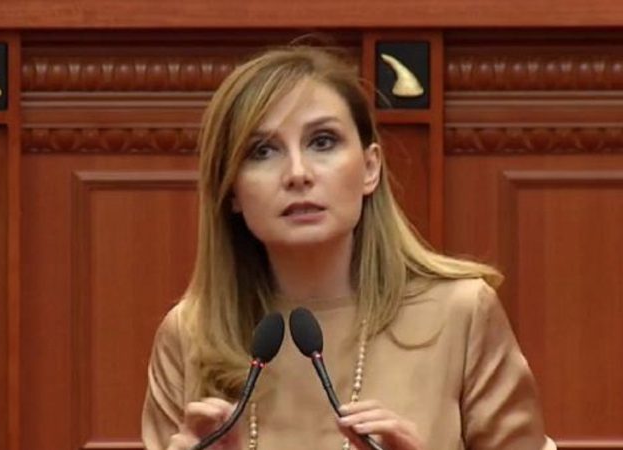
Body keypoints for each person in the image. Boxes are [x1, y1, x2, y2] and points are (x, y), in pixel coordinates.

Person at [141, 45, 556, 450]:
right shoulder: (190, 335)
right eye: (262, 151)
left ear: (370, 168)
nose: (298, 173)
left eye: (322, 142)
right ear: (231, 189)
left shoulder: (460, 314)